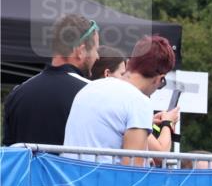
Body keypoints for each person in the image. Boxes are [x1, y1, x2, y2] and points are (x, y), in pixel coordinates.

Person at [62, 35, 176, 166]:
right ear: (159, 78)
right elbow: (133, 171)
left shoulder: (88, 88)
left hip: (70, 180)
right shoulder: (139, 102)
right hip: (105, 184)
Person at [2, 14, 99, 146]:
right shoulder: (93, 93)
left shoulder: (18, 93)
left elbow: (9, 153)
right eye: (95, 49)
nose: (97, 56)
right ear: (80, 51)